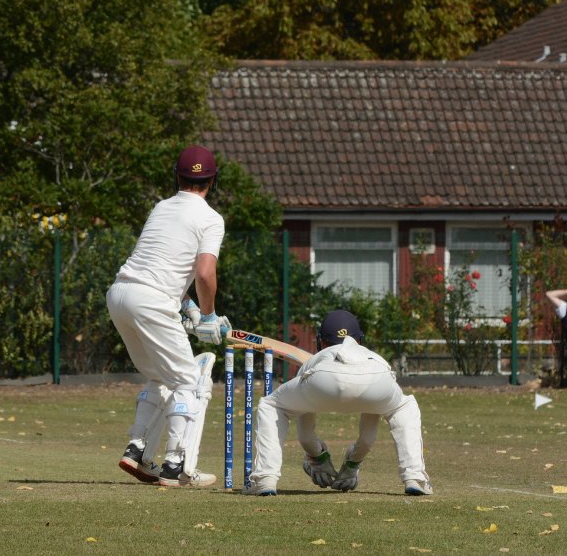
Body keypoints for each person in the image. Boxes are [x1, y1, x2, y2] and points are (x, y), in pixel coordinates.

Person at [106, 145, 229, 489]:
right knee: (189, 382)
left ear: (177, 176)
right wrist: (208, 315)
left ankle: (137, 451)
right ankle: (175, 466)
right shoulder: (211, 218)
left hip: (120, 294)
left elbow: (158, 266)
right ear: (212, 181)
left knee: (160, 377)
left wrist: (188, 307)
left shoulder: (161, 207)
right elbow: (204, 273)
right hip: (152, 300)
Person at [247, 309, 431, 497]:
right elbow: (368, 436)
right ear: (360, 340)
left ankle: (265, 479)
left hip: (323, 377)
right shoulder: (373, 356)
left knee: (272, 405)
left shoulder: (314, 359)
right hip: (377, 375)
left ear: (321, 341)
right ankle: (414, 478)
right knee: (403, 407)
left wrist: (317, 458)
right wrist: (353, 463)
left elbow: (305, 433)